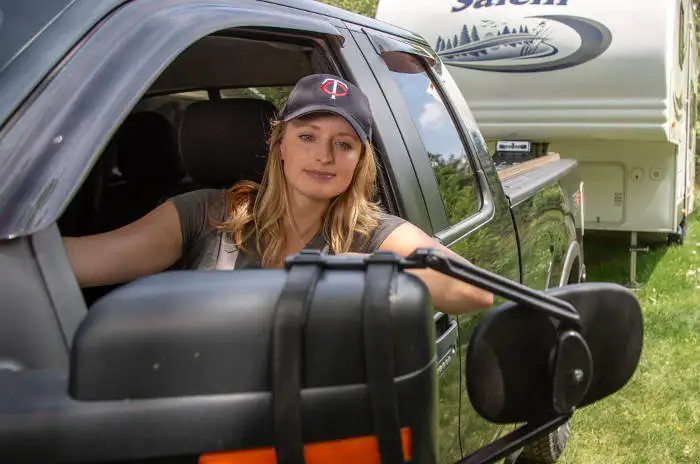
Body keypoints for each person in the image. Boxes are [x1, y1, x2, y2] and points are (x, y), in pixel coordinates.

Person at [63, 74, 493, 315]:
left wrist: (367, 268)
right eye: (307, 135)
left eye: (344, 144)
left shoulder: (372, 232)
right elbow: (79, 263)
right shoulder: (206, 214)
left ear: (359, 162)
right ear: (280, 146)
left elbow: (475, 292)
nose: (324, 155)